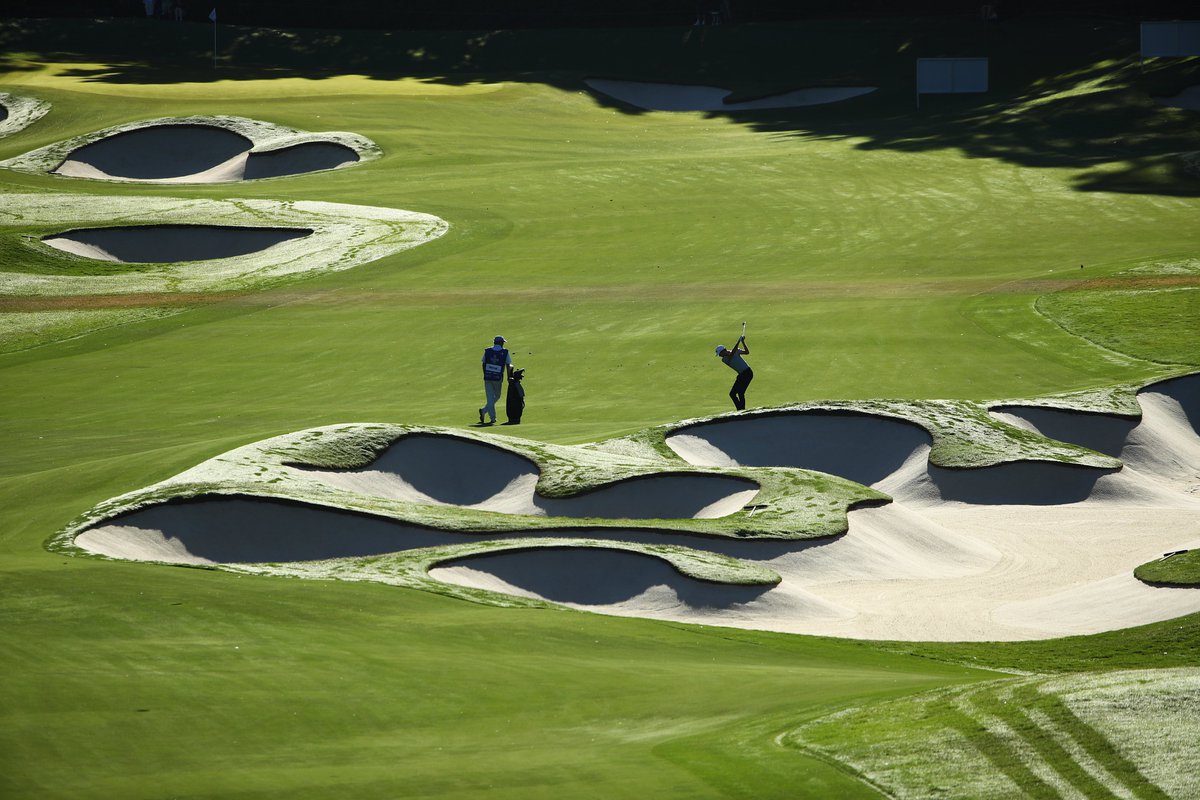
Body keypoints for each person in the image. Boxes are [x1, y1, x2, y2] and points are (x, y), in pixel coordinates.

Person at [478, 335, 512, 425]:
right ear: (501, 343)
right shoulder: (505, 352)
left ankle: (484, 411)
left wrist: (485, 374)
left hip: (488, 377)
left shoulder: (488, 351)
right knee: (497, 396)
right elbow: (508, 365)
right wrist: (509, 377)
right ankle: (492, 418)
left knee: (490, 398)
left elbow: (483, 363)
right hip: (498, 378)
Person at [715, 335, 753, 411]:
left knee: (740, 392)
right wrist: (738, 341)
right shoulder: (724, 359)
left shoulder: (736, 350)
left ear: (723, 350)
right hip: (742, 375)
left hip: (747, 373)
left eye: (720, 354)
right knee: (732, 394)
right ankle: (740, 410)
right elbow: (731, 354)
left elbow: (747, 352)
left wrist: (743, 342)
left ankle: (741, 411)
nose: (720, 356)